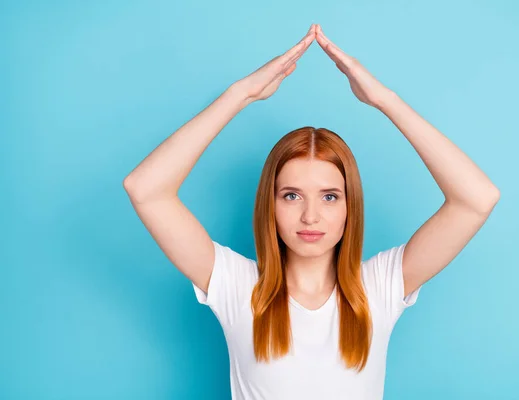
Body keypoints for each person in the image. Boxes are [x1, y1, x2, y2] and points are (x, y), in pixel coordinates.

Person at [123, 23, 500, 400]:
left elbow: (477, 198)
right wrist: (240, 95)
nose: (310, 216)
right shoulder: (237, 287)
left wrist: (385, 100)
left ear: (351, 206)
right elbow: (145, 189)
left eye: (330, 197)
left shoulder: (379, 289)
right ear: (268, 205)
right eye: (291, 196)